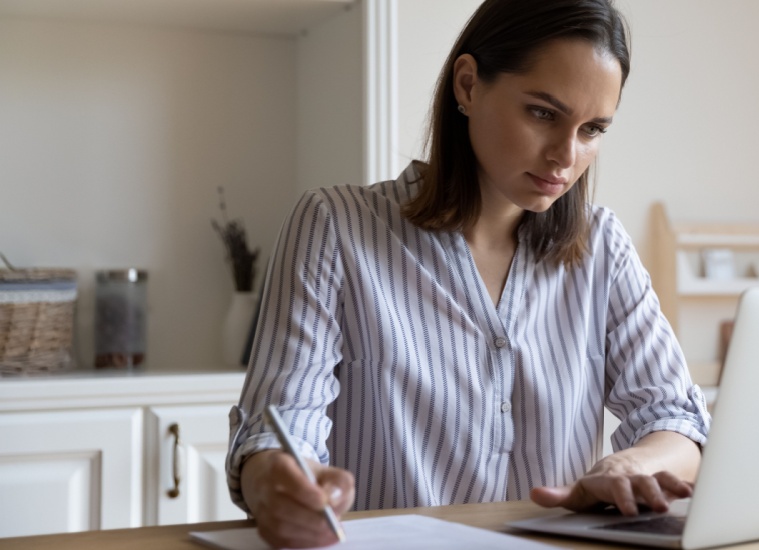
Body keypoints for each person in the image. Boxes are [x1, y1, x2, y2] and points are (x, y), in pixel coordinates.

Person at [224, 0, 711, 547]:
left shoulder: (603, 248)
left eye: (592, 129)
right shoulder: (335, 226)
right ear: (467, 85)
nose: (564, 157)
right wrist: (278, 484)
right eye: (543, 113)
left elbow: (675, 419)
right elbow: (279, 428)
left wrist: (631, 466)